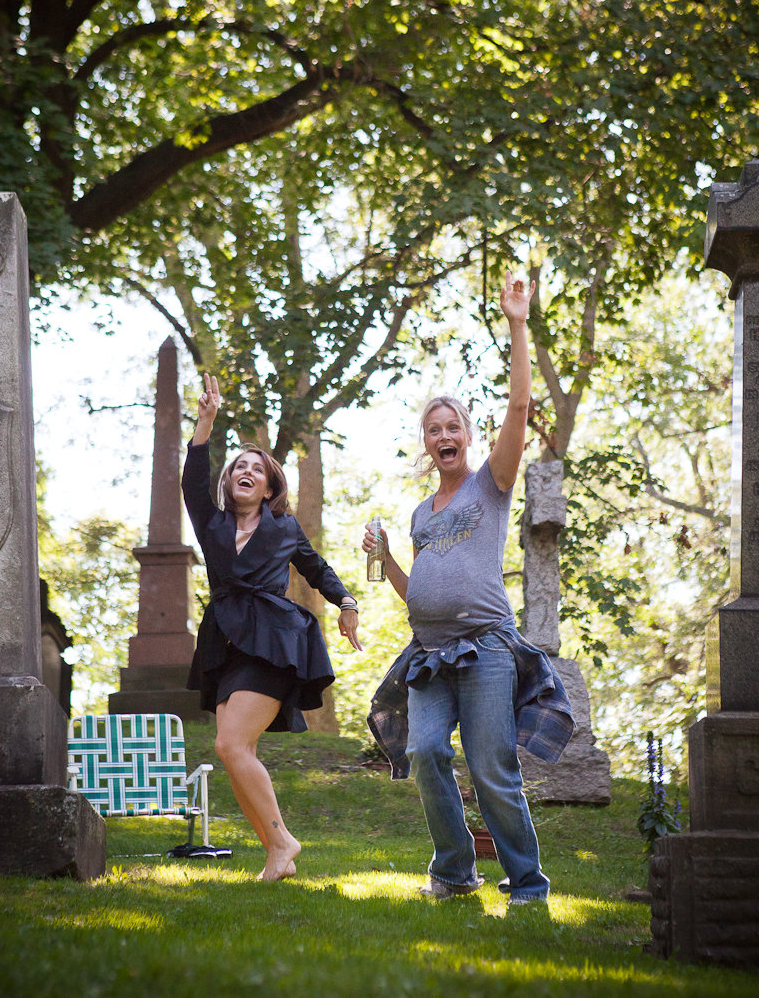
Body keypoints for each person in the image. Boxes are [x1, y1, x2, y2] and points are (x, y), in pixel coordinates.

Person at [362, 272, 574, 906]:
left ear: (469, 436)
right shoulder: (422, 514)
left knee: (490, 769)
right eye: (433, 430)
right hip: (429, 655)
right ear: (425, 446)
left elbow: (518, 409)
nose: (444, 435)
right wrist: (391, 560)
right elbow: (414, 593)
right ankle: (456, 873)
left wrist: (517, 322)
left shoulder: (492, 484)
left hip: (484, 650)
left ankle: (528, 886)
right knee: (426, 752)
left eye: (452, 426)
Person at [184, 373, 362, 881]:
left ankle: (283, 841)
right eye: (238, 466)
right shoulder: (212, 524)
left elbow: (315, 568)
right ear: (229, 482)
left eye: (255, 469)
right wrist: (206, 422)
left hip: (274, 639)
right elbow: (191, 482)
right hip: (225, 641)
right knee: (238, 750)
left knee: (228, 746)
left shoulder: (284, 528)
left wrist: (346, 599)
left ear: (268, 485)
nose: (245, 471)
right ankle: (275, 854)